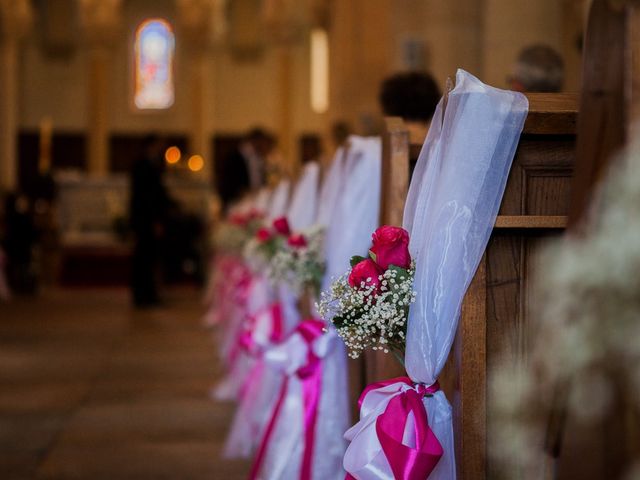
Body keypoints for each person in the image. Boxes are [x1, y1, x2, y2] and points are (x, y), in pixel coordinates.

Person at [129, 134, 170, 308]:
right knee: (144, 258)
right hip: (145, 218)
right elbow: (146, 197)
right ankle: (142, 295)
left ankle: (149, 294)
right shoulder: (142, 165)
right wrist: (155, 220)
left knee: (150, 257)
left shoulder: (155, 163)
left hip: (148, 217)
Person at [218, 127, 274, 212]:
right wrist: (243, 192)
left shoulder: (259, 158)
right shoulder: (233, 157)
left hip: (253, 201)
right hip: (236, 202)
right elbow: (227, 182)